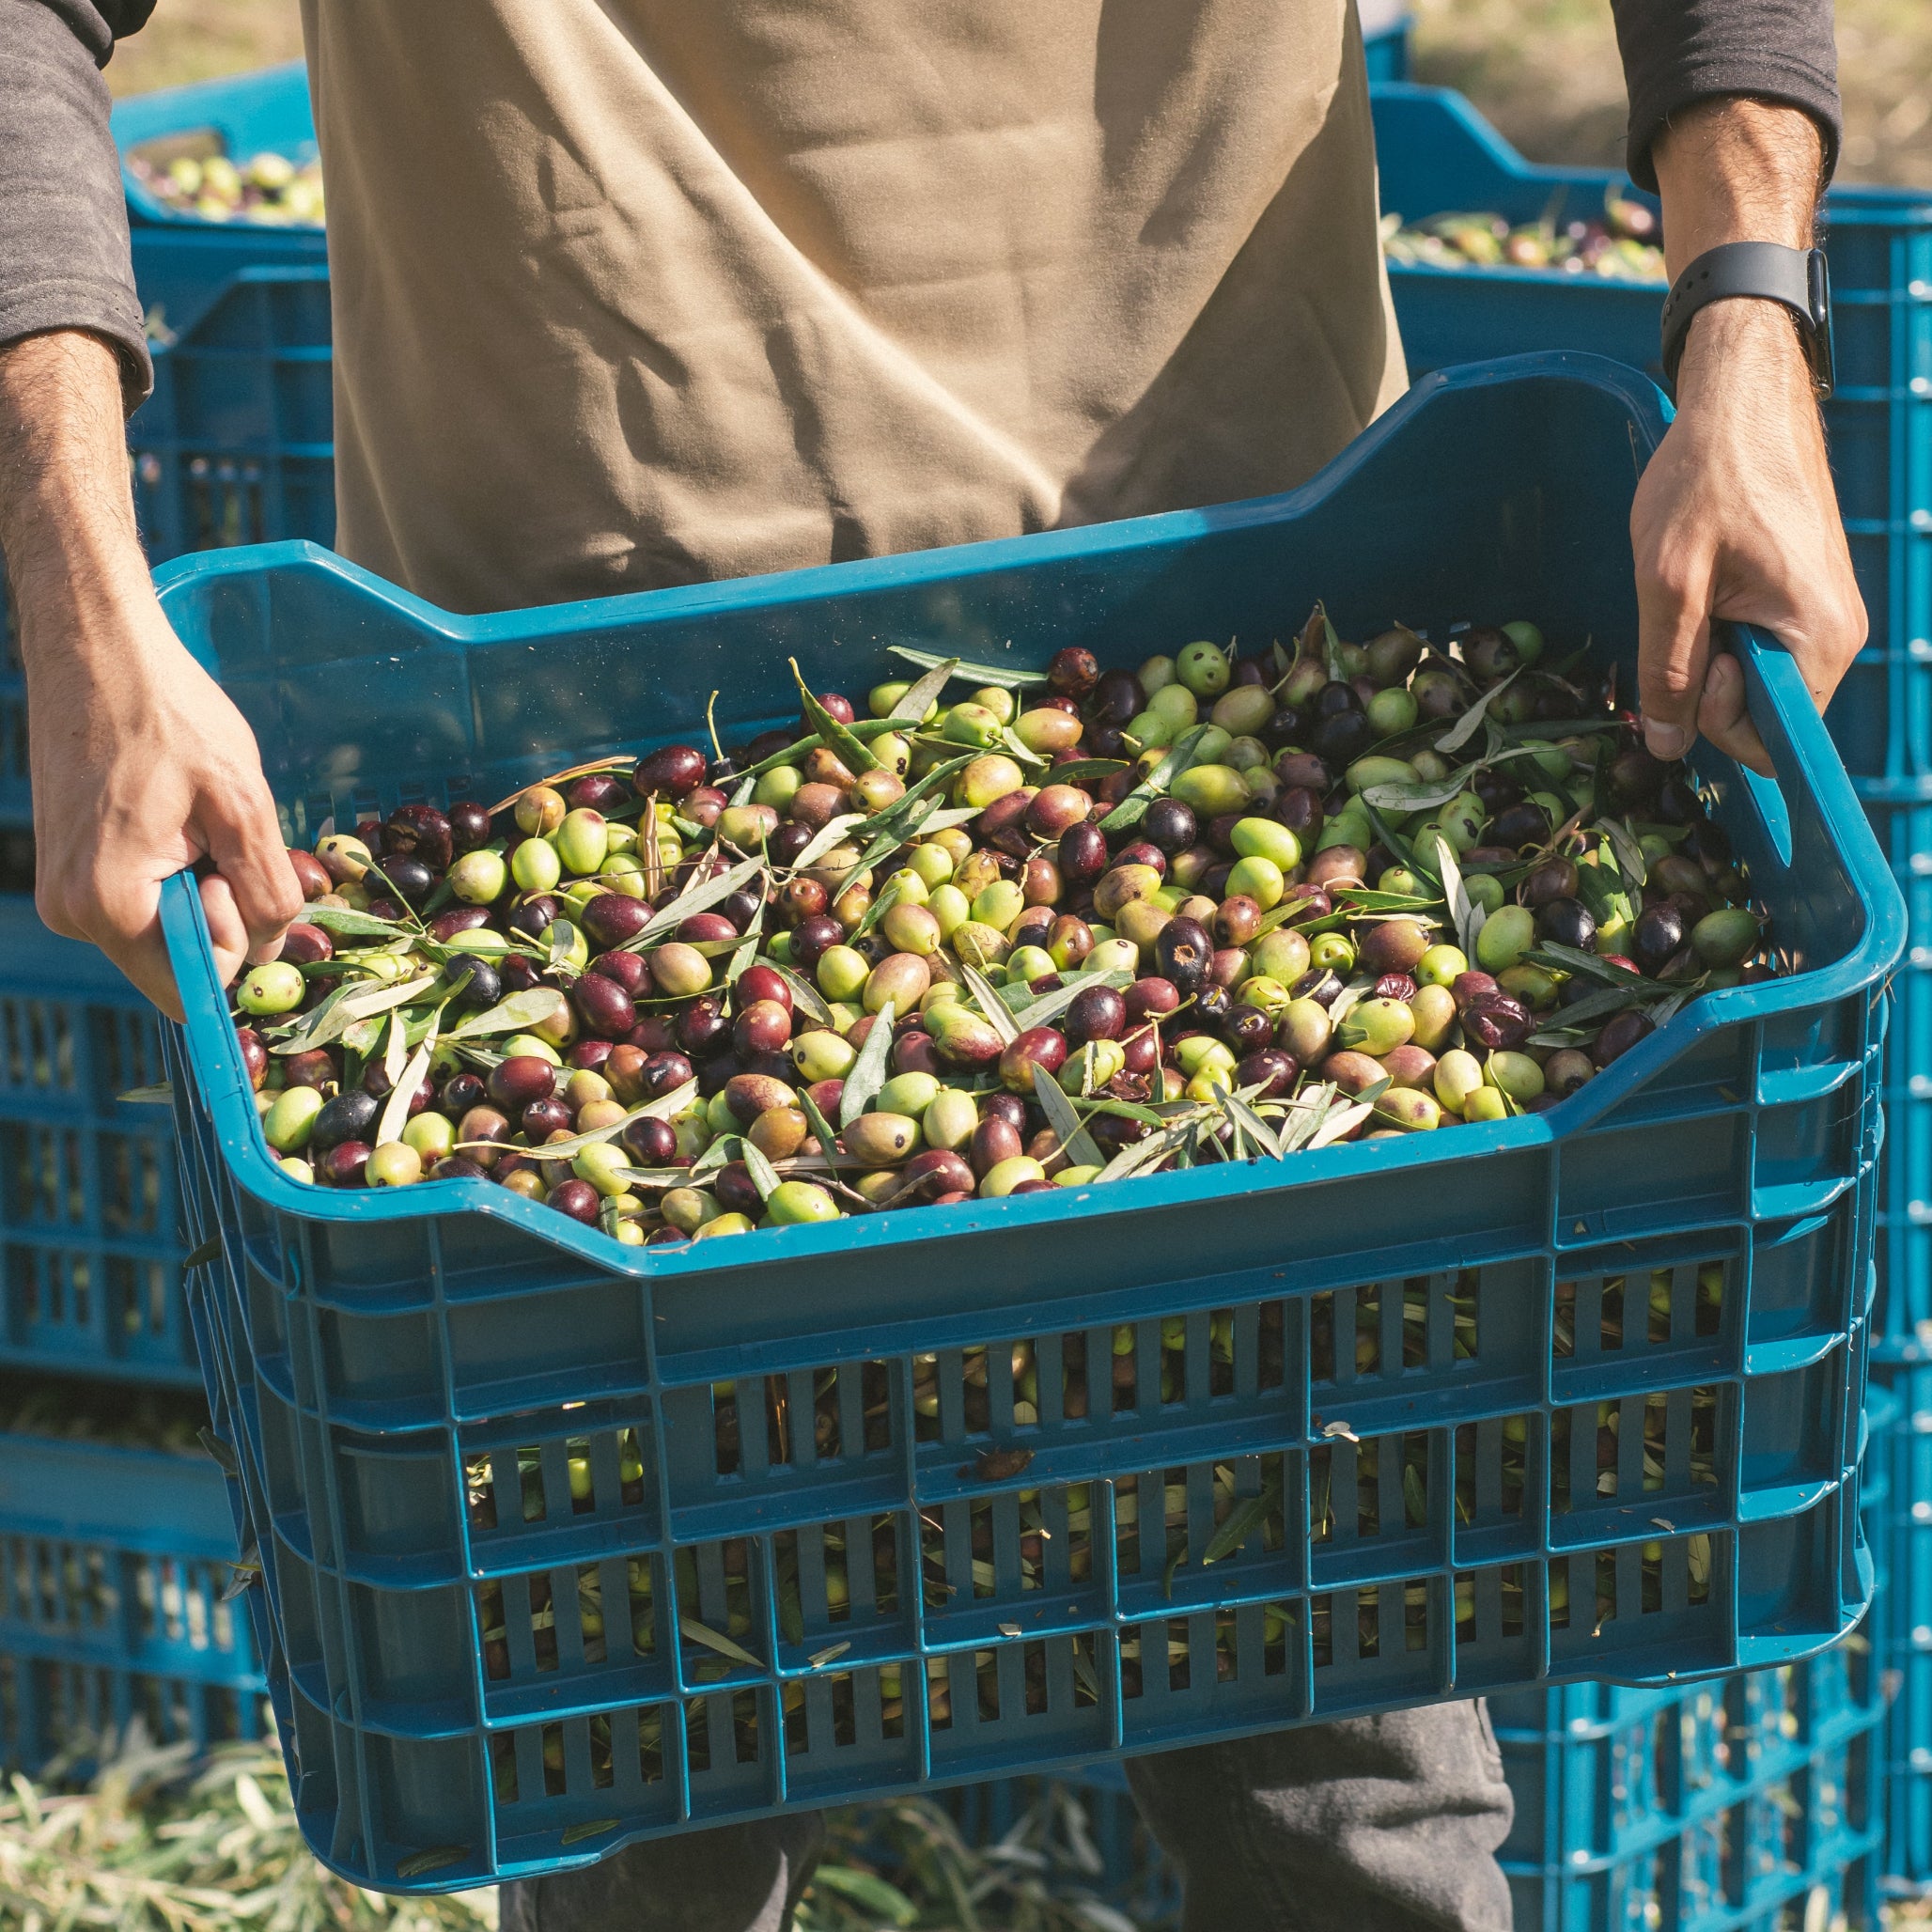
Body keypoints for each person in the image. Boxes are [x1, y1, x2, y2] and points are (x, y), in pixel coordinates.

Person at [0, 2, 1861, 1926]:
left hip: (1244, 699)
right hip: (592, 773)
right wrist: (82, 600)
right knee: (657, 1796)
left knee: (1340, 1805)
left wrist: (1742, 324)